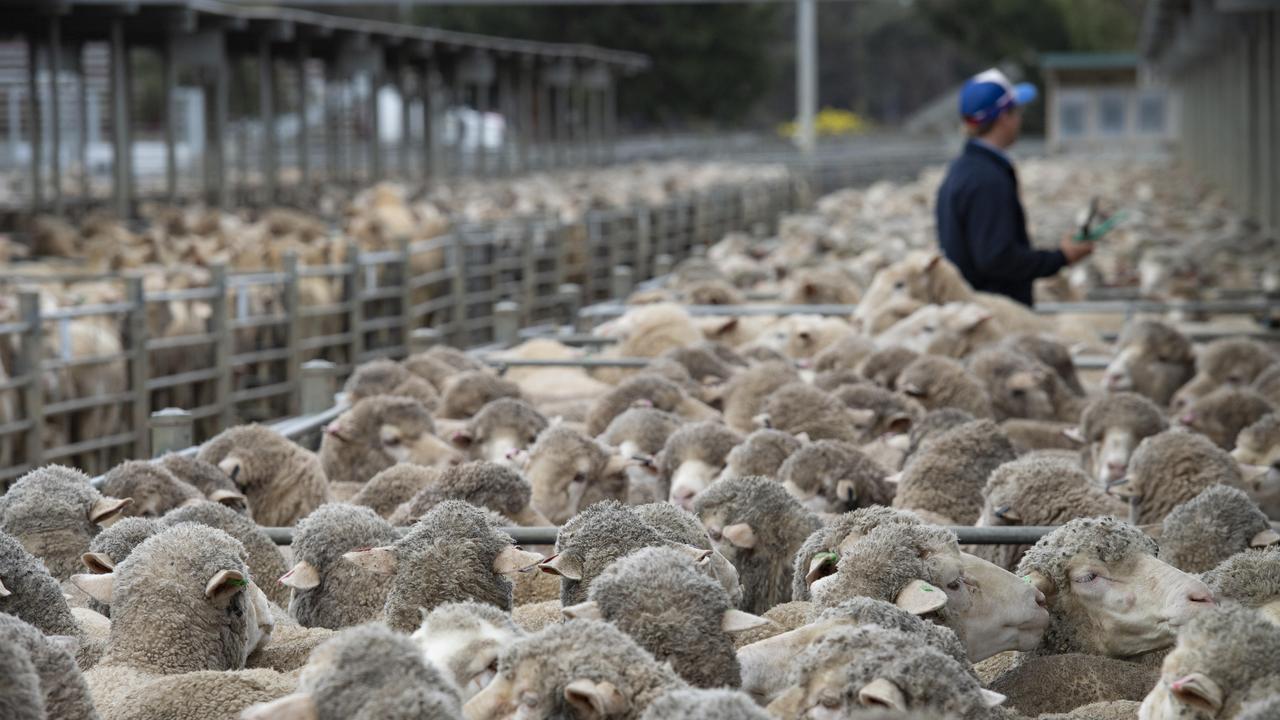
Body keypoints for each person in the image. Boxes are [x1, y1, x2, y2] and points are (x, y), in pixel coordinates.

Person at [936, 69, 1093, 307]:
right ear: (1003, 117)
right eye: (1016, 111)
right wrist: (1061, 258)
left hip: (972, 308)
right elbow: (996, 258)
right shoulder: (986, 178)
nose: (1019, 119)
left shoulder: (963, 170)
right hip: (993, 317)